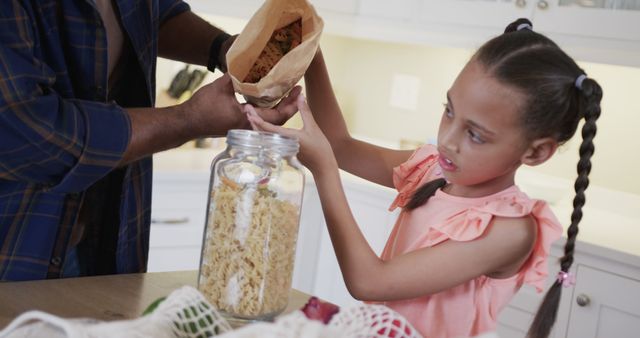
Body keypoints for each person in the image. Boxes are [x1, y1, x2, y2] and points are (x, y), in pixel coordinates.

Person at [246, 18, 602, 338]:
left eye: (475, 134)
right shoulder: (432, 168)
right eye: (449, 111)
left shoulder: (510, 230)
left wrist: (323, 170)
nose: (447, 140)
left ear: (536, 153)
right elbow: (340, 146)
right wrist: (313, 57)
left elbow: (370, 281)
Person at [0, 1, 300, 281]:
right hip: (17, 246)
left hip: (100, 239)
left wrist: (225, 50)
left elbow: (154, 13)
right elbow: (27, 130)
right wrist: (188, 121)